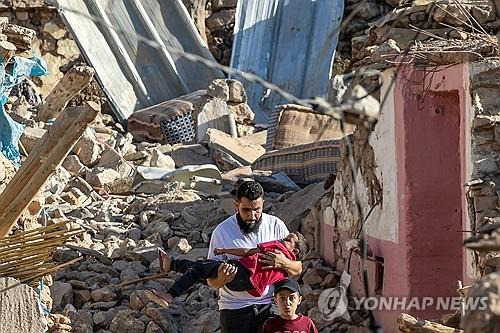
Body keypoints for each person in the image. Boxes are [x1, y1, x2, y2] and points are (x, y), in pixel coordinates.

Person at [209, 180, 303, 333]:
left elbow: (298, 269)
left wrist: (283, 263)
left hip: (270, 307)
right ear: (236, 205)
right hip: (235, 310)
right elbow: (211, 281)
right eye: (246, 210)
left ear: (263, 204)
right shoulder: (222, 232)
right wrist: (222, 278)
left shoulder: (276, 226)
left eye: (257, 210)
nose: (252, 216)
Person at [147, 231, 308, 305]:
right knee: (201, 268)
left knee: (200, 269)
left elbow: (250, 251)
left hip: (242, 273)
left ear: (294, 251)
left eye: (288, 239)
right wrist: (226, 250)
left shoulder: (278, 250)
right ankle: (172, 265)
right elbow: (297, 269)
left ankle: (170, 293)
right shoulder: (286, 270)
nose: (282, 238)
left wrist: (226, 250)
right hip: (244, 283)